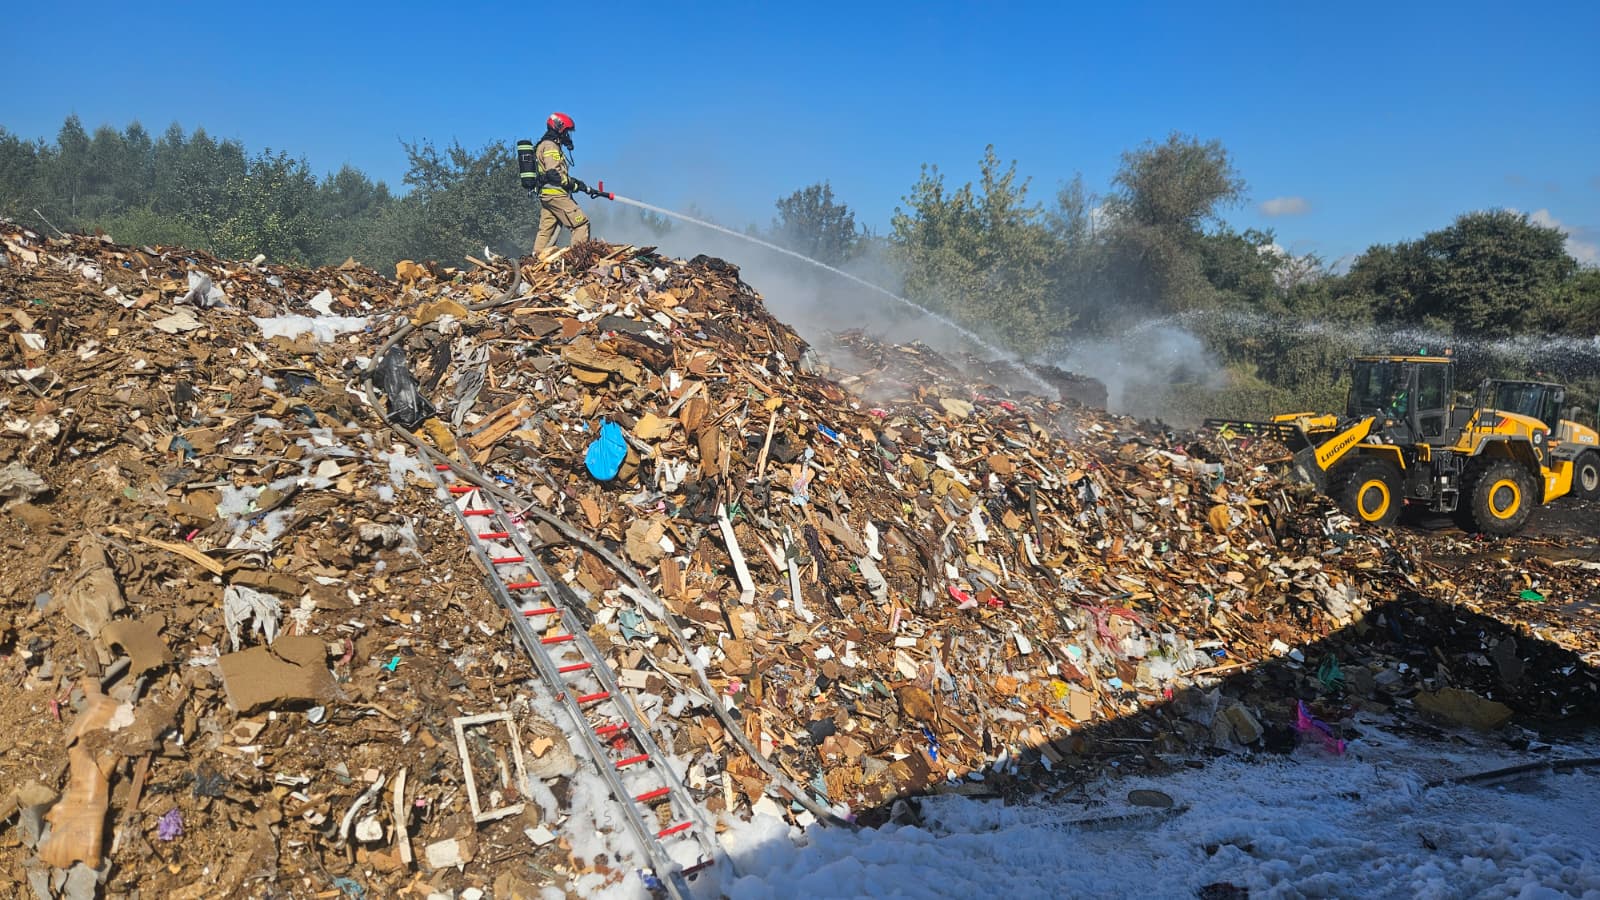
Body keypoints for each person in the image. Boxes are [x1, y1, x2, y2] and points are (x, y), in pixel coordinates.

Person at [526, 112, 594, 253]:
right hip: (556, 194)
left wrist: (576, 184)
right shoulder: (551, 146)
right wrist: (573, 184)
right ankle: (578, 261)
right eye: (566, 131)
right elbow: (554, 174)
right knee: (581, 223)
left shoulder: (544, 144)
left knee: (546, 231)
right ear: (559, 127)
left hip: (547, 196)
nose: (567, 135)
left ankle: (536, 262)